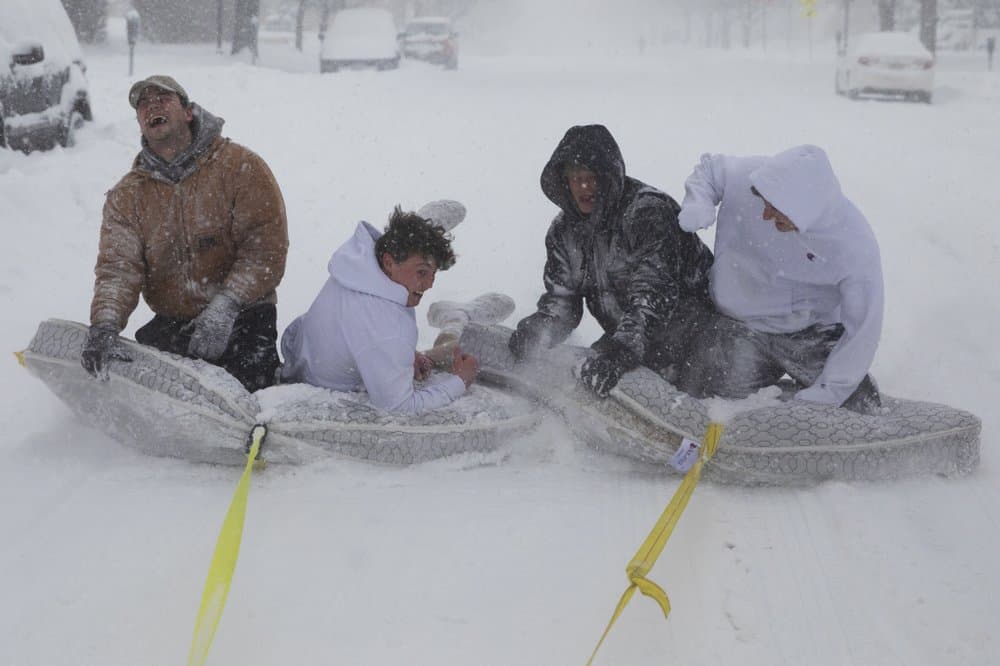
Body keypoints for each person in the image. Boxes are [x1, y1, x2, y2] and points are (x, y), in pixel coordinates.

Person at [80, 75, 289, 391]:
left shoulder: (240, 167)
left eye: (162, 99)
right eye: (143, 104)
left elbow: (265, 247)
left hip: (244, 315)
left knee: (250, 395)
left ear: (188, 112)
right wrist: (105, 325)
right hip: (176, 324)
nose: (152, 107)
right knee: (158, 404)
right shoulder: (128, 196)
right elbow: (118, 269)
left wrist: (227, 304)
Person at [508, 124, 715, 398]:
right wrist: (538, 333)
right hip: (629, 341)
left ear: (609, 178)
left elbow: (652, 297)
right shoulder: (563, 232)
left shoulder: (648, 213)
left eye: (592, 177)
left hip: (695, 339)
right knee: (584, 392)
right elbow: (563, 301)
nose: (584, 186)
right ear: (564, 182)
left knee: (692, 410)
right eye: (575, 177)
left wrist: (621, 353)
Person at [677, 144, 883, 412]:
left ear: (804, 207)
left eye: (775, 208)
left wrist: (832, 390)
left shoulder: (853, 246)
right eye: (765, 203)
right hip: (739, 327)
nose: (765, 214)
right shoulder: (753, 176)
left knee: (859, 406)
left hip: (809, 333)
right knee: (699, 402)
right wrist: (698, 202)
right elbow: (710, 170)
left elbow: (864, 327)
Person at [279, 207, 479, 415]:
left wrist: (404, 354)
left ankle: (454, 318)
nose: (429, 284)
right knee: (464, 356)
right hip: (324, 389)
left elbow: (357, 329)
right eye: (422, 272)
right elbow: (400, 407)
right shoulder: (388, 327)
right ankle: (457, 320)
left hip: (301, 364)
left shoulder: (356, 269)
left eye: (433, 273)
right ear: (389, 262)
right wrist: (461, 381)